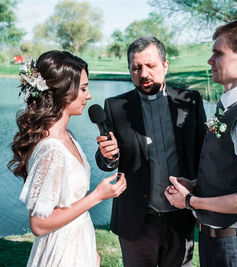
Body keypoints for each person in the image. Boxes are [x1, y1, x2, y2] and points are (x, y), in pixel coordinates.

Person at [165, 19, 237, 267]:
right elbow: (229, 170)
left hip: (234, 249)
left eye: (218, 53)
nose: (210, 61)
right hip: (212, 242)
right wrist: (197, 185)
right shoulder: (228, 104)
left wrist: (189, 201)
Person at [95, 36, 207, 267]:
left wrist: (202, 201)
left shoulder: (190, 101)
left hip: (181, 216)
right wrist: (108, 155)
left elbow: (202, 156)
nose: (143, 73)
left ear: (165, 66)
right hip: (137, 220)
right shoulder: (115, 107)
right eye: (136, 68)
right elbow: (108, 159)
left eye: (150, 66)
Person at [8, 50, 127, 267]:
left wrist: (89, 251)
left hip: (78, 244)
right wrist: (98, 196)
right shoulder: (51, 149)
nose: (89, 95)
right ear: (63, 92)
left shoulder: (66, 136)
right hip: (61, 253)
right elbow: (39, 224)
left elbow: (68, 203)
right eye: (83, 89)